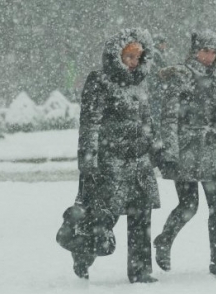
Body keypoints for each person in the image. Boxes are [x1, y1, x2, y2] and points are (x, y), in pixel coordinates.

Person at [154, 30, 216, 278]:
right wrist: (170, 150)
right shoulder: (181, 75)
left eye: (214, 52)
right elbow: (169, 115)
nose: (210, 56)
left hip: (210, 146)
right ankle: (164, 240)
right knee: (189, 204)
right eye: (206, 50)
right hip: (185, 147)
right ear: (195, 50)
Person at [73, 28, 160, 283]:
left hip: (140, 162)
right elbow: (90, 124)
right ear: (116, 56)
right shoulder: (99, 81)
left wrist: (155, 148)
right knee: (102, 217)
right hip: (111, 162)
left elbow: (147, 120)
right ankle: (82, 253)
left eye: (138, 57)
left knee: (141, 215)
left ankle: (140, 271)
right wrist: (88, 161)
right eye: (129, 56)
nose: (134, 62)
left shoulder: (140, 82)